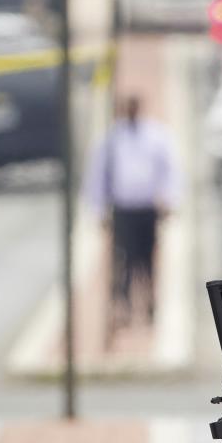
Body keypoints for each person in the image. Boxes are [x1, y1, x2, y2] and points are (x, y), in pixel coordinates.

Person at [84, 95, 177, 329]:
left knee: (147, 260)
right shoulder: (112, 139)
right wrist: (99, 209)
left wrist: (168, 200)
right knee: (122, 260)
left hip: (146, 209)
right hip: (122, 210)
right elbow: (98, 176)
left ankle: (149, 304)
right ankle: (122, 306)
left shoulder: (156, 135)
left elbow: (169, 170)